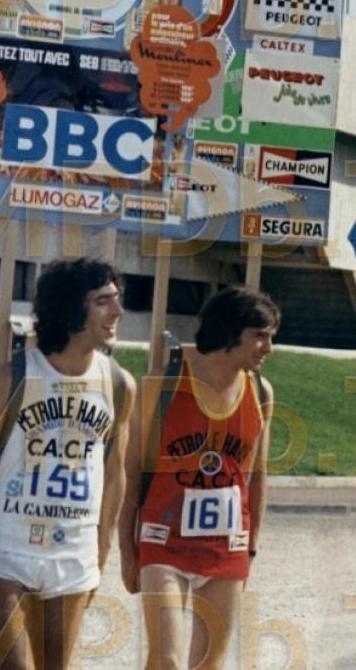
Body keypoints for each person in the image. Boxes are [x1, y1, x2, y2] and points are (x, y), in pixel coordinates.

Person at [0, 258, 134, 669]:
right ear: (69, 308)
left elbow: (114, 476)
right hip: (6, 549)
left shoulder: (119, 384)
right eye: (103, 301)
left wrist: (100, 555)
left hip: (73, 554)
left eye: (117, 299)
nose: (117, 311)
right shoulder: (10, 378)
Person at [119, 286, 278, 669]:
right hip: (163, 541)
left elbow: (257, 478)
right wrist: (127, 549)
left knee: (209, 664)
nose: (268, 348)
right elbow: (131, 472)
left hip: (227, 547)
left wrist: (251, 549)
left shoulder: (260, 391)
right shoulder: (161, 385)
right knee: (167, 661)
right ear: (230, 331)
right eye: (260, 335)